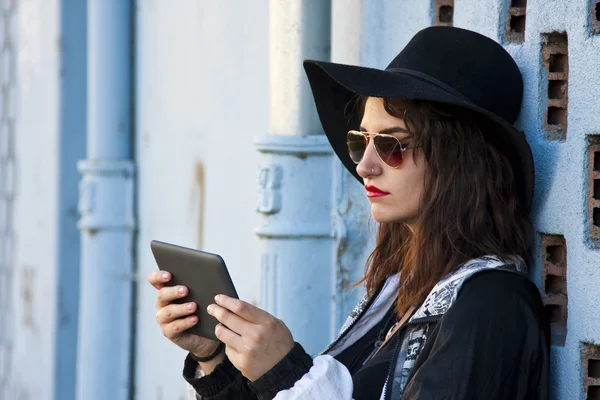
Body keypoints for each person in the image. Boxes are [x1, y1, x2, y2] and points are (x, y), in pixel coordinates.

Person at [148, 26, 549, 399]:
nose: (364, 165)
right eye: (361, 141)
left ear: (460, 161)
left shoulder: (493, 305)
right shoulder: (399, 291)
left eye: (392, 144)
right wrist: (214, 359)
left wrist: (288, 373)